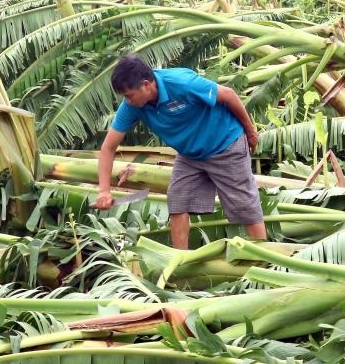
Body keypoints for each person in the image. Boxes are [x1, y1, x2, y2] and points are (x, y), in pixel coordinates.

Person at [95, 55, 267, 249]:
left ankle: (263, 259)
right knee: (177, 202)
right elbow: (108, 148)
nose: (127, 101)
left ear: (145, 84)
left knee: (245, 206)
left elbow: (228, 95)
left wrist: (251, 132)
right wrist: (103, 191)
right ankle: (180, 260)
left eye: (129, 95)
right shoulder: (133, 106)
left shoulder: (181, 83)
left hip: (225, 145)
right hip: (190, 156)